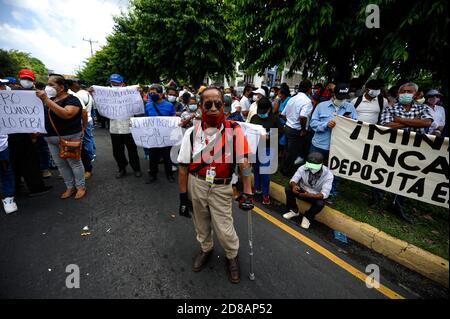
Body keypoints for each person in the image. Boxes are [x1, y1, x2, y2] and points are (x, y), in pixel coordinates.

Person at [177, 87, 254, 284]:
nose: (213, 107)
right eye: (208, 104)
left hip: (222, 187)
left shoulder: (234, 130)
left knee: (224, 227)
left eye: (217, 103)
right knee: (200, 223)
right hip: (197, 183)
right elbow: (183, 167)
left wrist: (247, 192)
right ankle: (206, 249)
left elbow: (244, 163)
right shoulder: (191, 133)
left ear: (223, 106)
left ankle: (232, 256)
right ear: (201, 107)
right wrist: (182, 197)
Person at [379, 82, 433, 223]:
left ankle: (398, 204)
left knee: (406, 177)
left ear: (415, 94)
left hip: (414, 150)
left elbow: (427, 123)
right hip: (392, 147)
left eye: (409, 91)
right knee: (384, 171)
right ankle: (378, 199)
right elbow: (387, 126)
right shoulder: (390, 108)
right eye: (403, 91)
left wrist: (400, 120)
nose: (405, 94)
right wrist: (414, 122)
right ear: (398, 93)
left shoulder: (423, 108)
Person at [36, 74, 86, 199]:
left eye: (51, 85)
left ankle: (80, 187)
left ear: (61, 87)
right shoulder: (51, 100)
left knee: (74, 163)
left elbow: (67, 114)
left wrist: (46, 100)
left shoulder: (72, 100)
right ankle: (70, 187)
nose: (48, 87)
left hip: (69, 138)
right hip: (51, 139)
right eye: (47, 84)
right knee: (61, 165)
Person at [8, 69, 52, 197]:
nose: (26, 81)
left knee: (29, 159)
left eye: (29, 79)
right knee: (24, 161)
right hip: (13, 134)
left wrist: (37, 131)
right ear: (19, 78)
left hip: (30, 133)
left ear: (33, 80)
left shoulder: (37, 94)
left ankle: (26, 186)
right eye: (24, 78)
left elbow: (40, 114)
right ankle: (30, 186)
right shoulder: (9, 94)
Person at [351, 79, 389, 210]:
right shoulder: (355, 101)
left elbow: (385, 118)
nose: (377, 91)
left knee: (374, 164)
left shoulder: (382, 101)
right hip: (356, 136)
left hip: (374, 137)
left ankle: (376, 197)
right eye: (374, 88)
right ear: (367, 89)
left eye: (379, 88)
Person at [104, 74, 142, 179]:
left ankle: (136, 168)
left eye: (117, 83)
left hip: (128, 127)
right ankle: (122, 168)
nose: (114, 85)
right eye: (112, 83)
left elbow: (138, 105)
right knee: (117, 151)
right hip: (114, 128)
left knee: (132, 150)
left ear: (123, 84)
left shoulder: (130, 94)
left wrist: (139, 92)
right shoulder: (107, 95)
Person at [283, 152, 334, 229]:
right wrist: (294, 186)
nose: (312, 169)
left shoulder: (328, 175)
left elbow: (324, 194)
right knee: (288, 189)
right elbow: (294, 179)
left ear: (322, 164)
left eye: (314, 167)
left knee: (320, 204)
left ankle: (307, 217)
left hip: (315, 195)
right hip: (303, 190)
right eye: (310, 166)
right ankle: (294, 210)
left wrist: (310, 195)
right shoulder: (303, 168)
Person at [250, 96, 283, 205]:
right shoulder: (254, 117)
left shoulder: (274, 119)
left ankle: (265, 194)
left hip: (268, 149)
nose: (261, 113)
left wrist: (270, 137)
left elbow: (281, 132)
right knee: (256, 170)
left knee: (265, 172)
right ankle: (257, 188)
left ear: (269, 109)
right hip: (255, 149)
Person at [145, 84, 176, 183]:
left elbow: (174, 119)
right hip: (153, 135)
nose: (152, 95)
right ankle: (152, 175)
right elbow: (145, 120)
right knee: (153, 156)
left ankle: (169, 174)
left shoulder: (169, 105)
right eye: (150, 93)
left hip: (166, 136)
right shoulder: (148, 105)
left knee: (167, 156)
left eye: (154, 93)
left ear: (161, 94)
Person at [280, 83, 313, 177]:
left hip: (288, 128)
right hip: (296, 131)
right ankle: (286, 172)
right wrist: (303, 129)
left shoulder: (292, 98)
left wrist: (290, 121)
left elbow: (283, 114)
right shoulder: (307, 101)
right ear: (309, 89)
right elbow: (303, 117)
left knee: (287, 151)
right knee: (292, 153)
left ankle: (283, 169)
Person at [68, 79, 96, 179]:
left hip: (83, 121)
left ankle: (89, 157)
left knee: (84, 142)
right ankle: (92, 154)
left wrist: (83, 125)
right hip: (88, 119)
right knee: (89, 138)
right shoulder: (87, 94)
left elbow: (83, 111)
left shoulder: (77, 96)